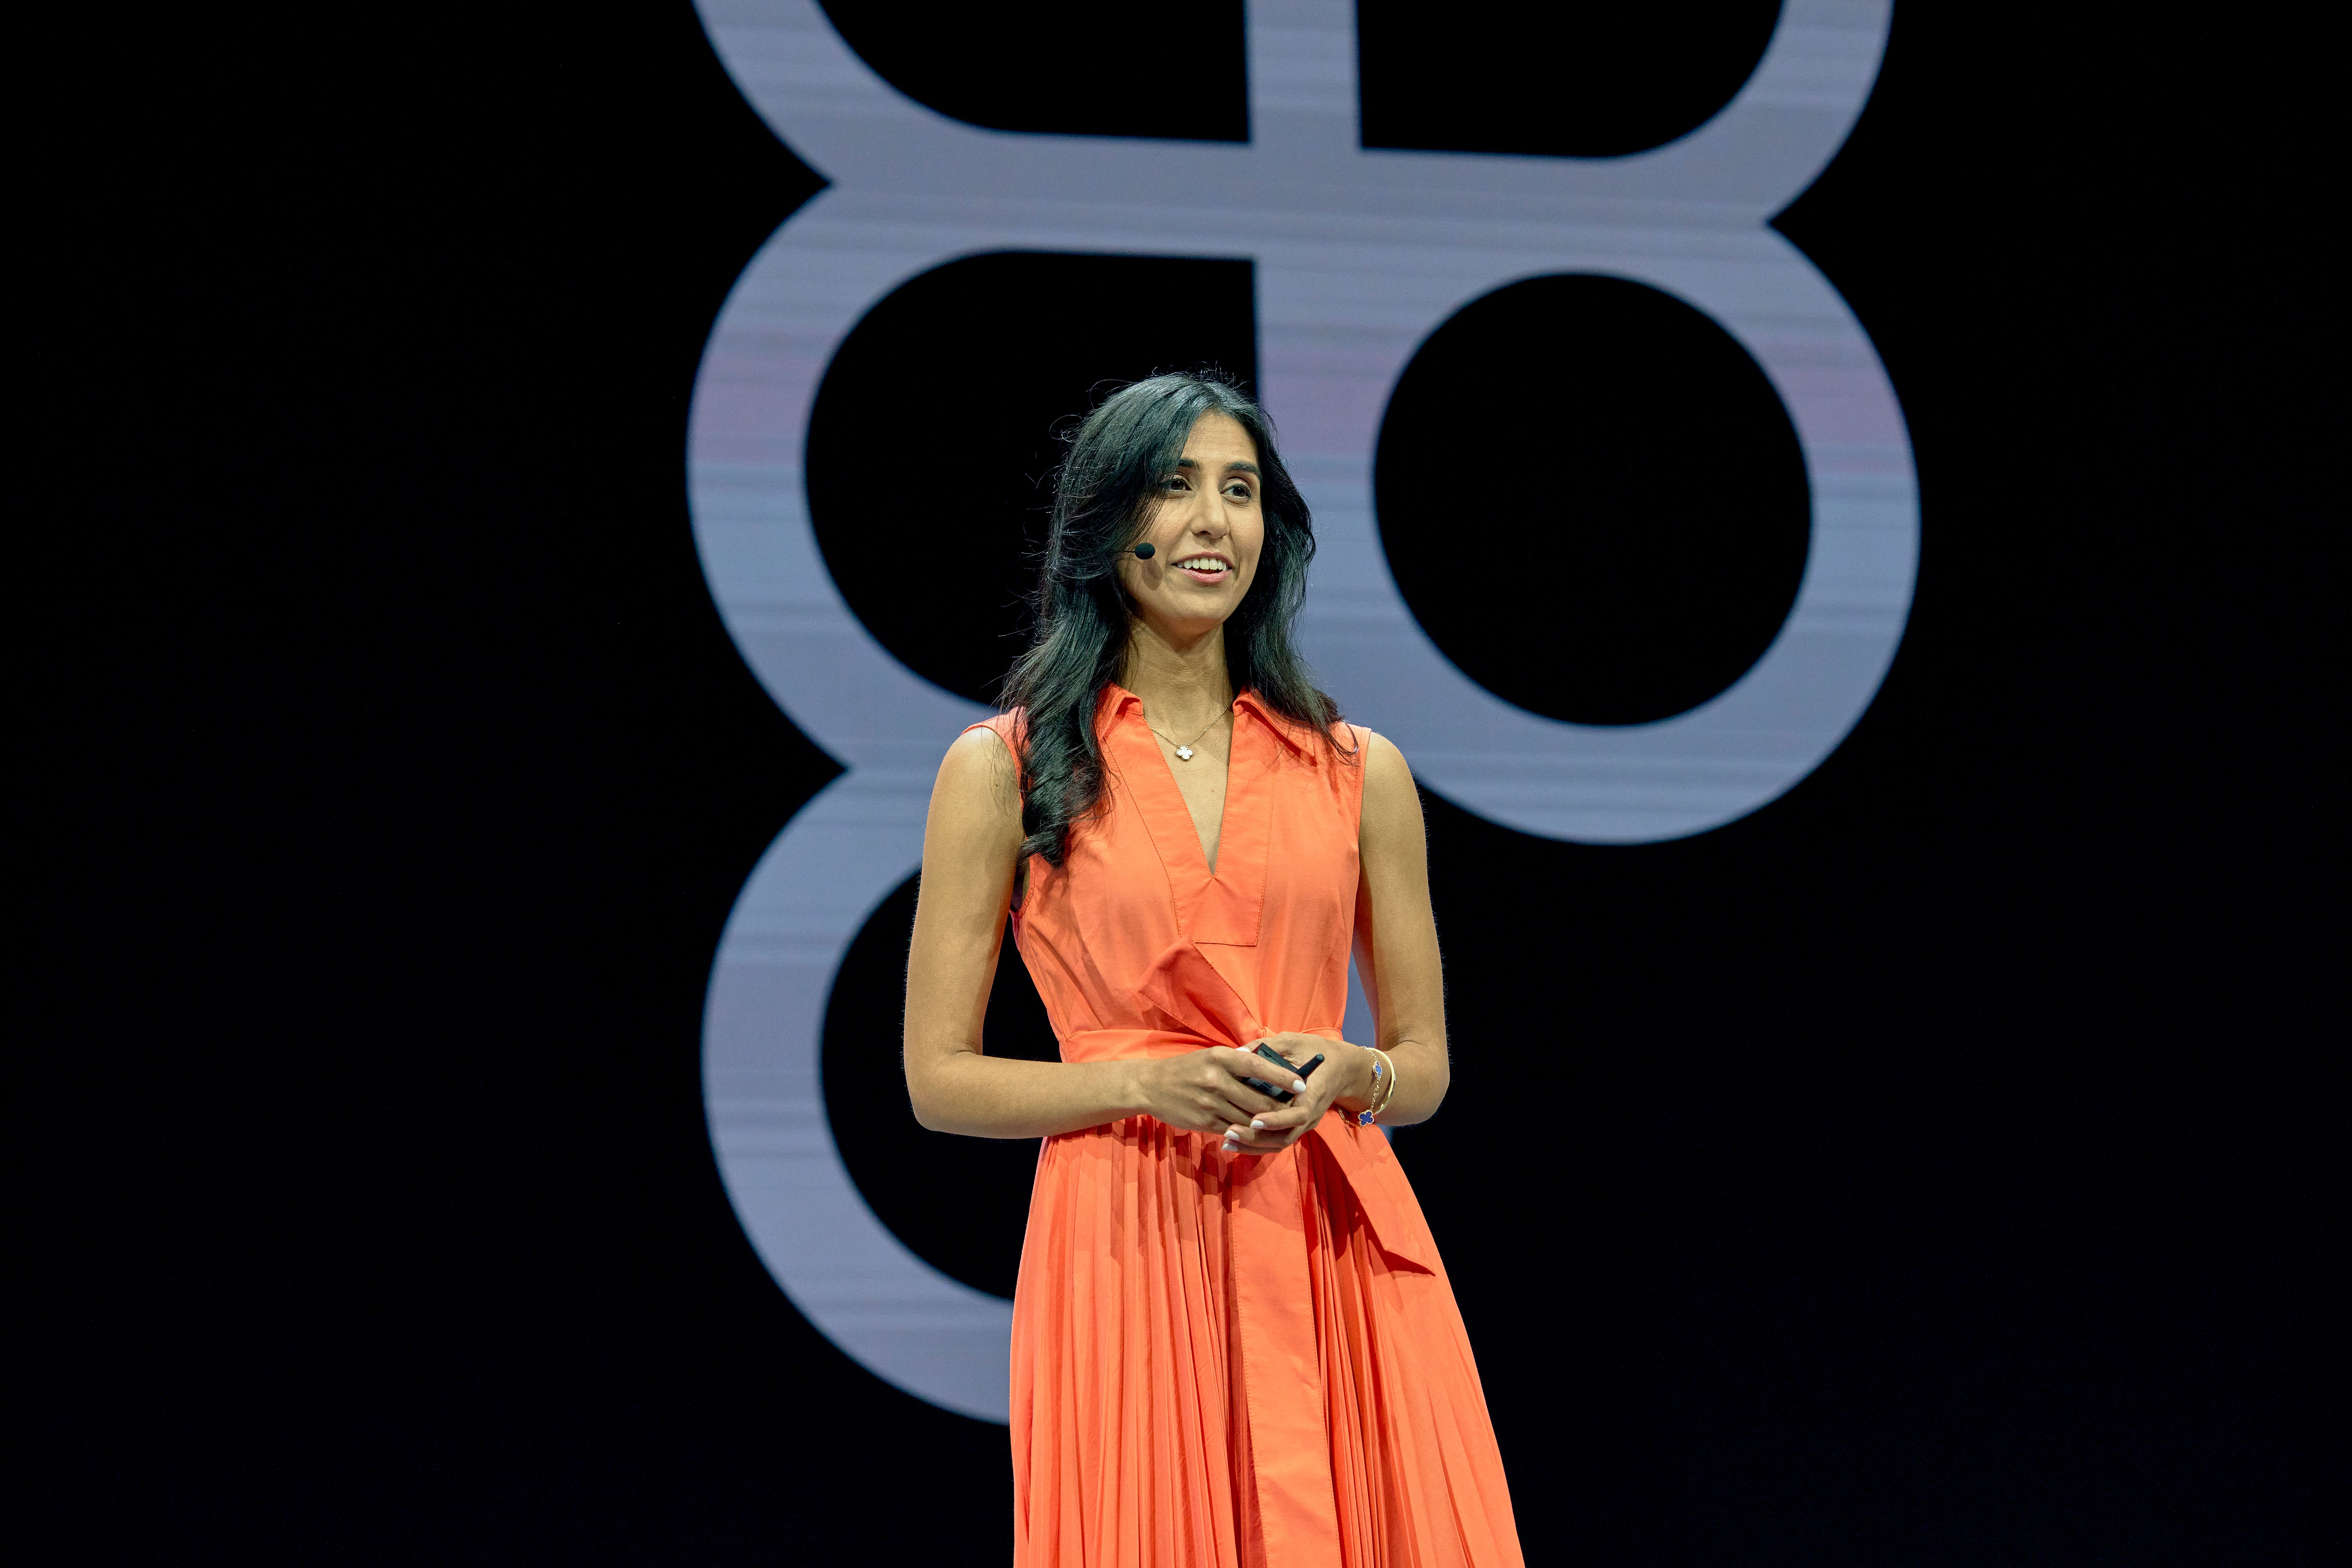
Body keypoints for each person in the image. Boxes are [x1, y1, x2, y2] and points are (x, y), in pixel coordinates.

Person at [904, 373, 1523, 1567]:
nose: (1211, 522)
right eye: (1174, 486)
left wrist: (1354, 1071)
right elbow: (939, 1080)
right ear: (1105, 524)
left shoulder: (1357, 770)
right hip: (1127, 1246)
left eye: (1239, 490)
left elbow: (1426, 1061)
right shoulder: (1003, 770)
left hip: (1334, 1240)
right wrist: (1146, 1087)